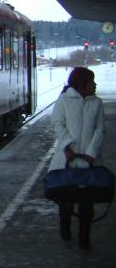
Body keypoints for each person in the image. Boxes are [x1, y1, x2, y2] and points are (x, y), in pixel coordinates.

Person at [48, 66, 105, 246]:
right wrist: (66, 147)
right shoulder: (64, 100)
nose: (94, 85)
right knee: (67, 198)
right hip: (67, 159)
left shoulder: (96, 102)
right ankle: (65, 228)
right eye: (91, 81)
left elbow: (100, 129)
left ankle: (84, 238)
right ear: (82, 84)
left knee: (87, 203)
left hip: (89, 160)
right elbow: (57, 123)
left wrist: (91, 152)